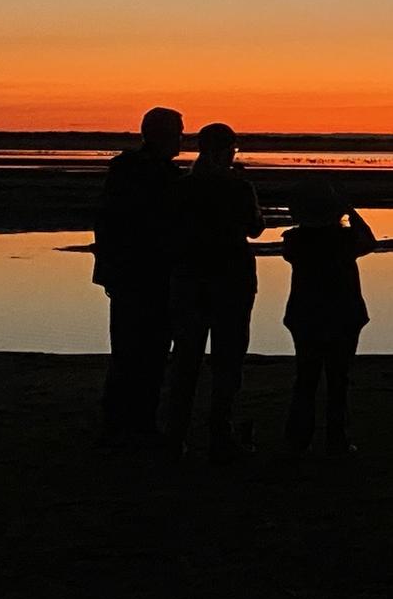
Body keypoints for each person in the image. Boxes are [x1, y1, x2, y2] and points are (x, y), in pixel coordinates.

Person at [166, 122, 264, 462]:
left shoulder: (182, 187)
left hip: (190, 279)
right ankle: (220, 434)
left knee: (186, 360)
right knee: (228, 361)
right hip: (231, 279)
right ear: (227, 152)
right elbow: (255, 228)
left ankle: (175, 436)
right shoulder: (239, 187)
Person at [92, 106, 185, 450]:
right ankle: (134, 422)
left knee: (133, 349)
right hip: (147, 274)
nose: (181, 139)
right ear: (161, 135)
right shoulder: (152, 174)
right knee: (147, 350)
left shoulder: (129, 170)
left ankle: (121, 421)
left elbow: (107, 223)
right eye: (178, 132)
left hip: (130, 273)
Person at [281, 181, 377, 456]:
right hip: (343, 314)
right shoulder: (345, 240)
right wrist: (350, 210)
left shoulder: (295, 240)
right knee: (338, 379)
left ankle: (299, 440)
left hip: (305, 315)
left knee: (306, 379)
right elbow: (369, 241)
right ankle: (337, 439)